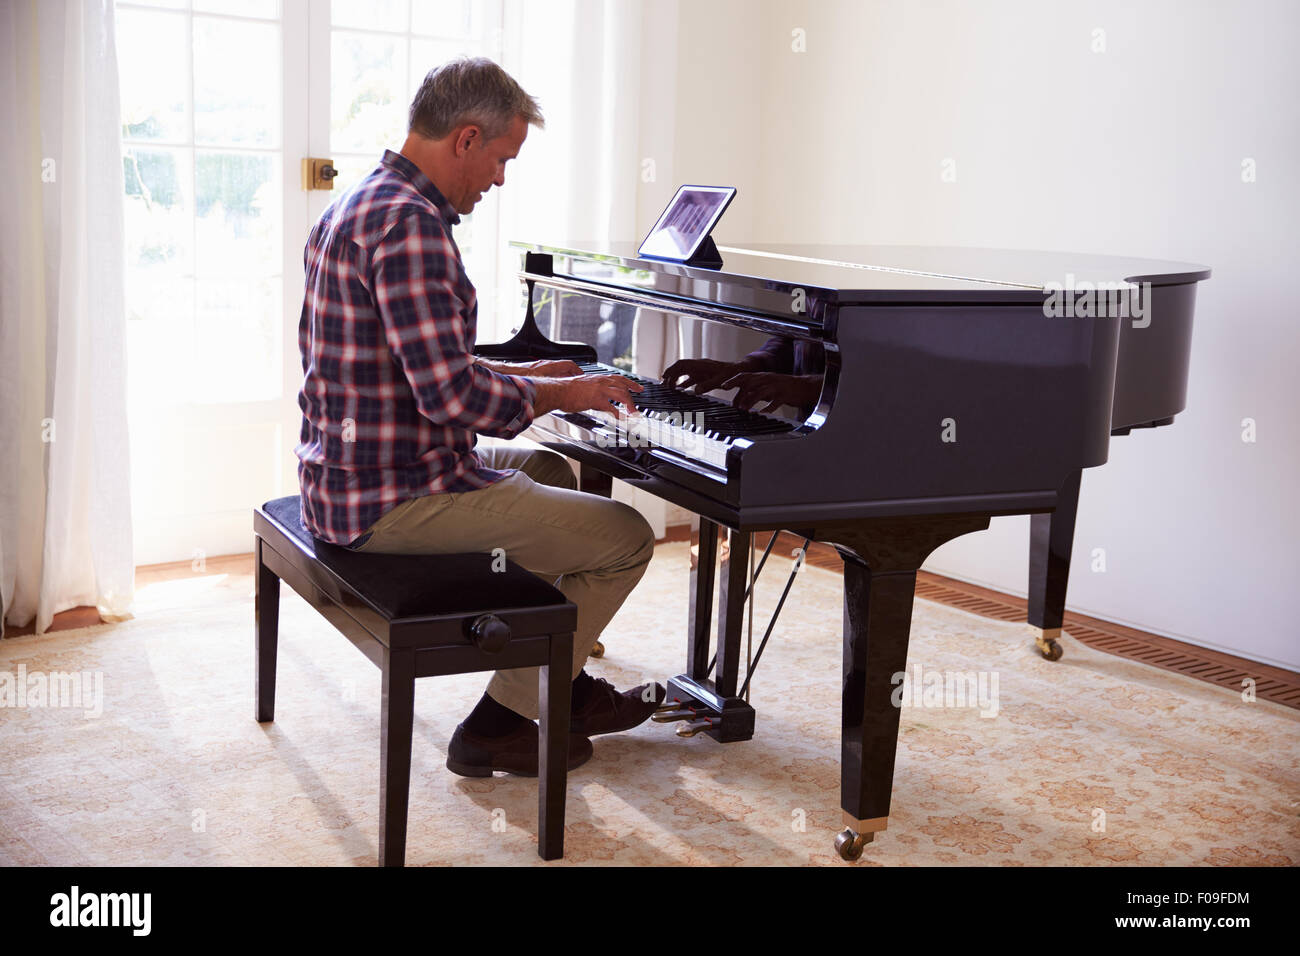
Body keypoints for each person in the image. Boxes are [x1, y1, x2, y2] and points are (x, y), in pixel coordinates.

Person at [294, 57, 664, 777]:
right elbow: (453, 402)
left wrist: (532, 375)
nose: (498, 178)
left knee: (553, 469)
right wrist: (566, 395)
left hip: (350, 475)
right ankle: (498, 726)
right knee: (624, 538)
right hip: (389, 500)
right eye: (501, 158)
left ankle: (562, 680)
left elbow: (425, 367)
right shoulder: (411, 228)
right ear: (466, 139)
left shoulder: (363, 202)